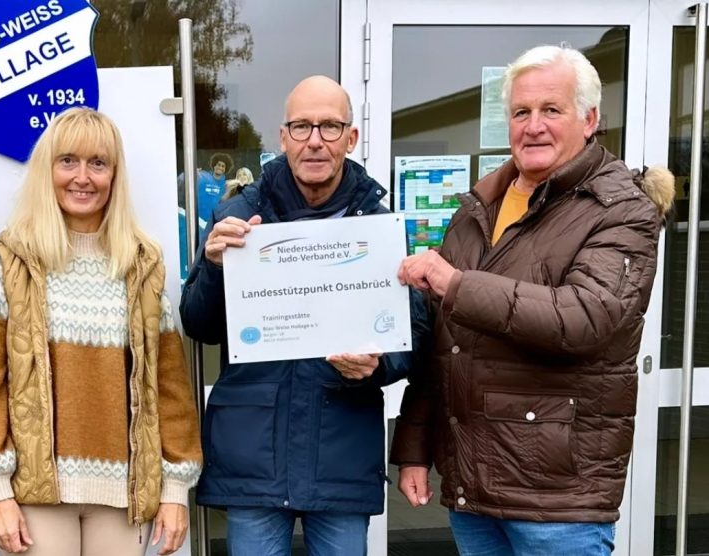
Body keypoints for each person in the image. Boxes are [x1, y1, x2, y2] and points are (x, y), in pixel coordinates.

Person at [392, 45, 675, 556]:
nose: (534, 125)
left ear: (589, 120)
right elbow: (445, 345)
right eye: (521, 112)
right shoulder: (478, 209)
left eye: (551, 110)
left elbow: (584, 318)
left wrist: (455, 284)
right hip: (472, 488)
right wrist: (413, 449)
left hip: (556, 497)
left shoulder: (621, 210)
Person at [180, 75, 428, 555]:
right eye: (301, 127)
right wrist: (213, 269)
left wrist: (379, 365)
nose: (315, 141)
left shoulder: (378, 226)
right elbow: (199, 325)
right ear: (282, 137)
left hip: (340, 452)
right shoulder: (237, 216)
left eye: (330, 127)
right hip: (255, 457)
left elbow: (412, 333)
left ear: (351, 138)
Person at [0, 107, 202, 556]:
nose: (83, 177)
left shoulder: (139, 267)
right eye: (67, 161)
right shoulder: (9, 266)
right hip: (37, 496)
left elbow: (170, 388)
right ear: (47, 170)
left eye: (98, 163)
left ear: (114, 175)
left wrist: (175, 490)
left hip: (124, 497)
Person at [196, 152, 233, 228]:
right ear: (214, 165)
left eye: (223, 166)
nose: (220, 167)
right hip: (199, 220)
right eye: (218, 165)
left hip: (215, 222)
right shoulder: (202, 178)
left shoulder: (226, 185)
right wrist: (195, 174)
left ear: (225, 169)